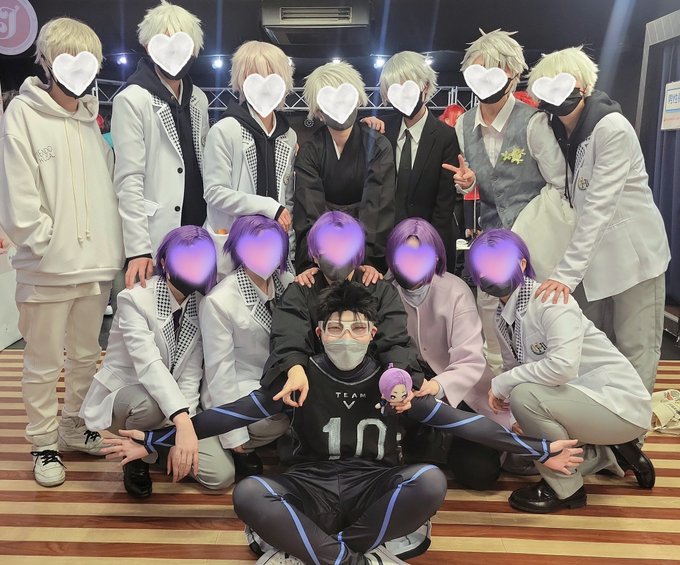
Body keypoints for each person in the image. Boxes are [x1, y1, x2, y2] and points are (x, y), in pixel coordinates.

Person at [103, 281, 582, 564]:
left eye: (356, 327)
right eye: (335, 327)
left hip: (373, 488)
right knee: (248, 493)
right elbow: (234, 414)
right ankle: (350, 558)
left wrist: (540, 450)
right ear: (319, 333)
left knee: (430, 481)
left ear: (373, 333)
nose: (345, 335)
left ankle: (321, 553)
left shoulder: (394, 384)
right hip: (308, 486)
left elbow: (458, 423)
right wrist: (155, 440)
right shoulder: (301, 378)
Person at [0, 17, 124, 487]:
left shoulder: (91, 121)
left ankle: (74, 425)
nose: (78, 68)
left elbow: (105, 189)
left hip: (95, 265)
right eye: (67, 58)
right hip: (47, 268)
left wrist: (108, 243)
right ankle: (43, 442)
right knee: (42, 360)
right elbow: (17, 196)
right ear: (47, 62)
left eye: (87, 59)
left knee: (86, 355)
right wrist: (45, 242)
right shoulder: (22, 115)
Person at [469, 229, 654, 513]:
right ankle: (608, 453)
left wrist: (506, 387)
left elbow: (562, 367)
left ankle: (567, 490)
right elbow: (513, 367)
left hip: (615, 403)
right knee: (517, 460)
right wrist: (517, 417)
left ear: (521, 263)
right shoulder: (501, 316)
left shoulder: (551, 300)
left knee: (524, 396)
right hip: (578, 402)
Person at [528, 46, 670, 394]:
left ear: (585, 85)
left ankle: (632, 427)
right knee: (596, 349)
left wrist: (565, 275)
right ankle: (600, 419)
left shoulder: (611, 128)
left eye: (566, 81)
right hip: (591, 261)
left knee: (636, 349)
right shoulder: (553, 130)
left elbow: (598, 207)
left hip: (635, 259)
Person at [81, 226, 234, 497]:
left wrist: (183, 427)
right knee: (148, 404)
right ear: (163, 261)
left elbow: (191, 372)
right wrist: (182, 423)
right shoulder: (134, 299)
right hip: (129, 398)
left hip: (174, 407)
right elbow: (149, 365)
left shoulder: (201, 303)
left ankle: (153, 447)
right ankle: (135, 461)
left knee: (221, 475)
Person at [448, 29, 566, 377]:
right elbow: (474, 180)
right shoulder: (463, 125)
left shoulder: (533, 122)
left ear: (513, 74)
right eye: (478, 70)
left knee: (539, 318)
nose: (486, 79)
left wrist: (529, 228)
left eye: (496, 69)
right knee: (491, 321)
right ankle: (497, 391)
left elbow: (559, 184)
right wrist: (468, 183)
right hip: (490, 241)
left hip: (535, 242)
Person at [385, 218, 510, 489]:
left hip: (459, 389)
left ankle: (448, 443)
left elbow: (470, 360)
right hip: (406, 390)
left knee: (479, 473)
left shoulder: (455, 290)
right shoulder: (385, 290)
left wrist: (436, 386)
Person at [262, 211, 425, 405]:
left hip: (373, 388)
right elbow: (289, 335)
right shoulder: (301, 290)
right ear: (315, 255)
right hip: (314, 388)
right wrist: (295, 369)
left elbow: (394, 340)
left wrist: (395, 378)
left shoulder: (380, 290)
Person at [112, 0, 210, 289]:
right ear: (147, 46)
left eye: (183, 43)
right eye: (163, 41)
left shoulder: (199, 98)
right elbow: (128, 178)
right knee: (154, 310)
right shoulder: (132, 99)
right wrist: (138, 249)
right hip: (156, 233)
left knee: (197, 312)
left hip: (198, 229)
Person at [199, 215, 293, 477]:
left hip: (280, 380)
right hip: (241, 384)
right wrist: (235, 434)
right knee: (270, 422)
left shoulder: (287, 282)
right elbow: (220, 371)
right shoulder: (219, 301)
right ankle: (241, 446)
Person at [203, 41, 297, 278]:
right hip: (234, 247)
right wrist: (268, 206)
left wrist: (290, 242)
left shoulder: (288, 135)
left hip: (275, 248)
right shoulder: (225, 129)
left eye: (273, 75)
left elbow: (288, 198)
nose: (264, 83)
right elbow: (214, 192)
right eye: (254, 75)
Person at [294, 61, 396, 272]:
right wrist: (314, 261)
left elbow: (377, 209)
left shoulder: (378, 146)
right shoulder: (310, 151)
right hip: (322, 256)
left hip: (365, 257)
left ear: (357, 100)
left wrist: (367, 264)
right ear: (319, 111)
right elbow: (309, 212)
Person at [371, 52, 460, 270]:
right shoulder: (381, 130)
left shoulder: (445, 136)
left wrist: (430, 249)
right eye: (394, 89)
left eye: (408, 86)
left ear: (425, 86)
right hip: (386, 247)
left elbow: (444, 203)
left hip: (431, 244)